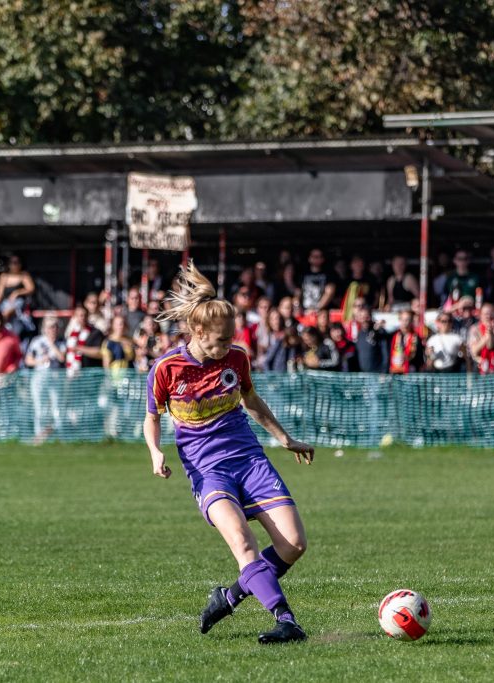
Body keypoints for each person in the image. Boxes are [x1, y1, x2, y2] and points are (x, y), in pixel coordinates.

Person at [144, 262, 315, 644]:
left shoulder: (236, 358)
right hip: (207, 471)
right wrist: (155, 452)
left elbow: (250, 400)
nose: (227, 347)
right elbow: (151, 417)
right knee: (243, 544)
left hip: (250, 461)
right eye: (220, 340)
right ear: (198, 331)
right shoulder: (166, 368)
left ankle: (229, 596)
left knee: (294, 544)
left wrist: (285, 439)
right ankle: (286, 620)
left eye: (230, 339)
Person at [26, 316, 67, 442]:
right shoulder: (37, 341)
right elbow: (28, 360)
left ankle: (59, 435)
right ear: (44, 328)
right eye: (50, 327)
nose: (53, 329)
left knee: (57, 406)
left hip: (55, 378)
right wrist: (40, 361)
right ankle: (39, 435)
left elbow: (62, 358)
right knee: (40, 407)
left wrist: (51, 343)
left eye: (55, 327)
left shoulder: (61, 342)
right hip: (39, 377)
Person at [0, 255, 36, 321]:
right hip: (6, 302)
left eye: (16, 262)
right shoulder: (4, 276)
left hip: (20, 303)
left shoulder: (24, 275)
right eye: (12, 262)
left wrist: (17, 292)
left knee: (7, 313)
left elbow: (31, 289)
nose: (14, 265)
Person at [352, 304, 390, 373]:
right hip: (362, 374)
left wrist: (384, 372)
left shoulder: (380, 332)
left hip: (377, 374)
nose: (364, 320)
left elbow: (386, 354)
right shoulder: (359, 334)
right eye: (362, 317)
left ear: (371, 317)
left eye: (367, 317)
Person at [299, 248, 337, 313]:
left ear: (323, 259)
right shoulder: (303, 274)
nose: (316, 259)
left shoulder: (329, 274)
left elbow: (330, 292)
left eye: (319, 256)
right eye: (314, 256)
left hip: (321, 313)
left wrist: (316, 309)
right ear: (309, 258)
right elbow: (298, 292)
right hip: (304, 312)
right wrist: (298, 307)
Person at [467, 303, 494, 374]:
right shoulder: (474, 329)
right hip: (478, 368)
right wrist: (486, 336)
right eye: (486, 314)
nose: (488, 316)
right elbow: (474, 351)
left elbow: (490, 346)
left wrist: (490, 333)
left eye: (491, 313)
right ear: (480, 315)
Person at [388, 310, 423, 374]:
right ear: (399, 320)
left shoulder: (416, 338)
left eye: (407, 320)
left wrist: (408, 358)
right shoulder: (392, 336)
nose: (404, 322)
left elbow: (420, 359)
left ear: (411, 321)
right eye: (402, 320)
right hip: (394, 371)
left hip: (410, 372)